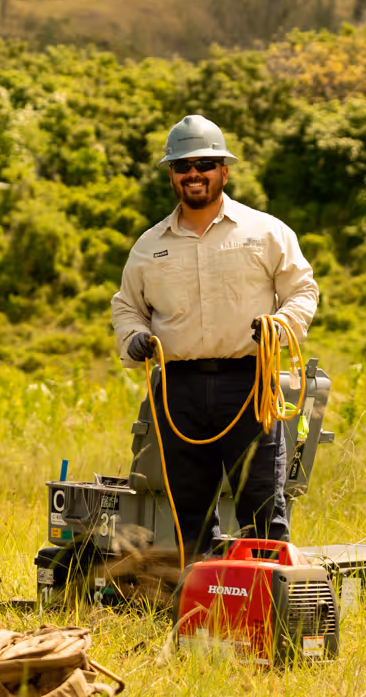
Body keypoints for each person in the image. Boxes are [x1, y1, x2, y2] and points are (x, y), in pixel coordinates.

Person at [110, 114, 318, 553]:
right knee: (189, 511)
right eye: (183, 166)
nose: (194, 174)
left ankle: (266, 608)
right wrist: (132, 338)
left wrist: (280, 328)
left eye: (204, 164)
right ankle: (199, 608)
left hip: (249, 384)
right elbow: (127, 305)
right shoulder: (149, 246)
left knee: (261, 506)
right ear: (172, 175)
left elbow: (302, 289)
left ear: (224, 171)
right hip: (177, 391)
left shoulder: (265, 231)